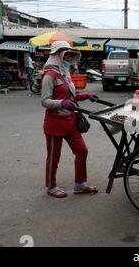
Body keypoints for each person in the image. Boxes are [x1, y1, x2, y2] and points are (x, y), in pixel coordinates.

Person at [41, 41, 99, 198]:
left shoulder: (65, 73)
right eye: (65, 55)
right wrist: (61, 103)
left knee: (82, 151)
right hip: (55, 123)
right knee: (54, 157)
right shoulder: (49, 76)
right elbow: (45, 101)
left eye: (70, 55)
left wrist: (86, 95)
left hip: (70, 121)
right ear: (57, 56)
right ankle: (51, 186)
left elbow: (70, 97)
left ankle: (80, 184)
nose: (68, 58)